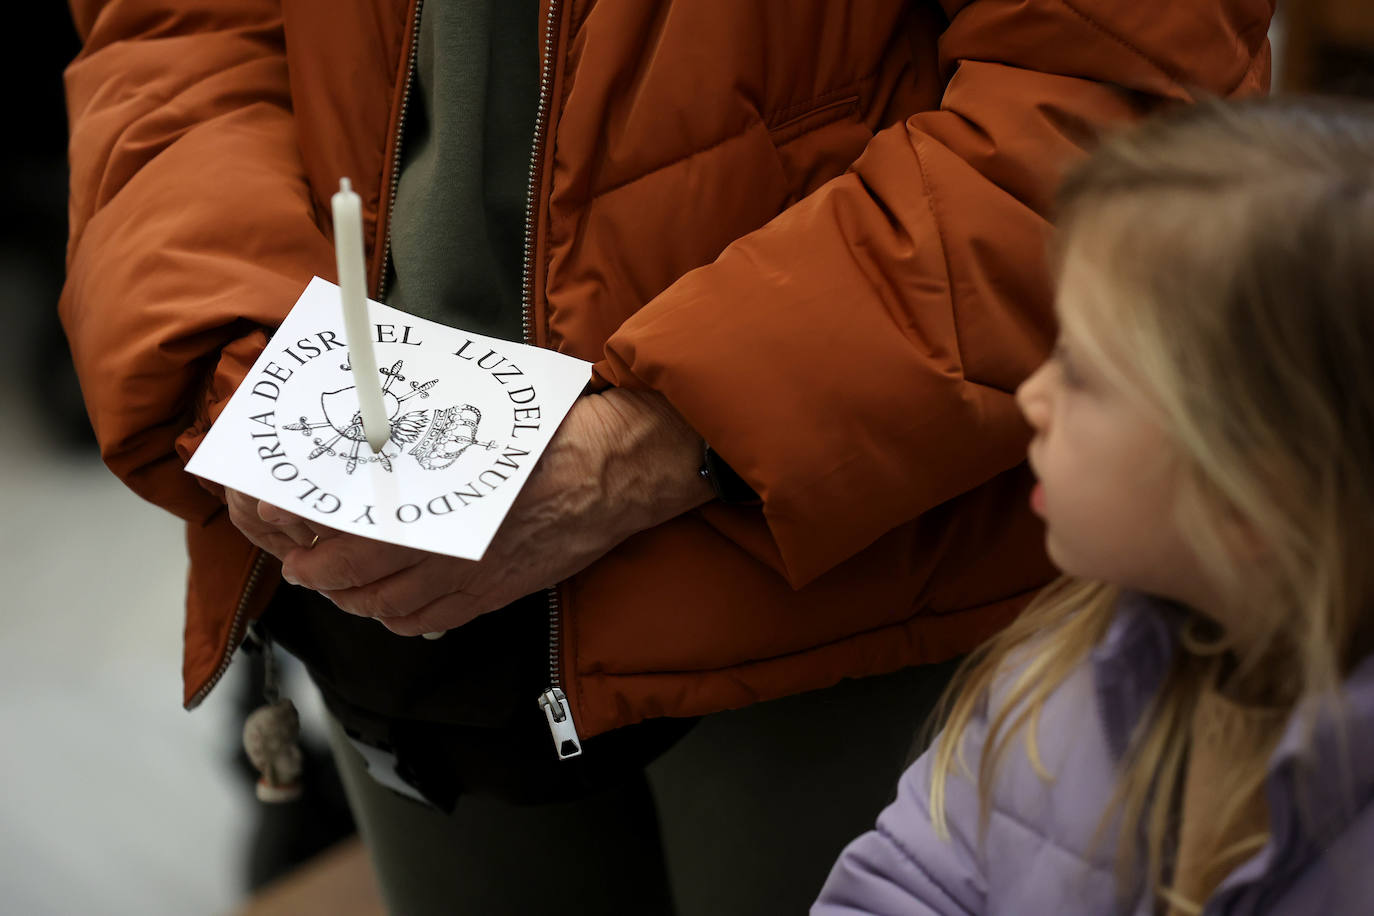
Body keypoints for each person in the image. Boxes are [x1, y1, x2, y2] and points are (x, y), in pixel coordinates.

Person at [60, 1, 1273, 912]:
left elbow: (1104, 105)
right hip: (394, 609)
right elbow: (173, 32)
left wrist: (655, 439)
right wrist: (247, 369)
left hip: (844, 585)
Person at [815, 96, 1374, 915]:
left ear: (1252, 496)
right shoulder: (1054, 681)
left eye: (1080, 372)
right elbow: (907, 886)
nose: (1031, 398)